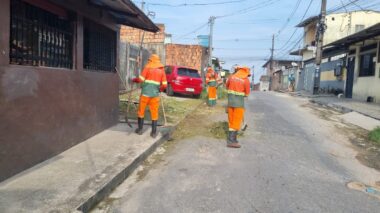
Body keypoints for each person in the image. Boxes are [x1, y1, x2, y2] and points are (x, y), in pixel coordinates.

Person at [132, 54, 167, 138]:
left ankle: (140, 130)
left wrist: (134, 80)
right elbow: (165, 85)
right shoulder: (161, 70)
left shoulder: (147, 67)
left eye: (149, 60)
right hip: (155, 95)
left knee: (141, 112)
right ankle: (154, 133)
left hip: (145, 94)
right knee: (154, 113)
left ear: (151, 60)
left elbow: (140, 79)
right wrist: (160, 90)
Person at [225, 66, 251, 148]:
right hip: (239, 104)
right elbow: (247, 94)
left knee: (231, 120)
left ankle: (231, 139)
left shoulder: (231, 77)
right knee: (236, 122)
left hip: (230, 103)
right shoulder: (245, 80)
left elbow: (227, 86)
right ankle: (232, 141)